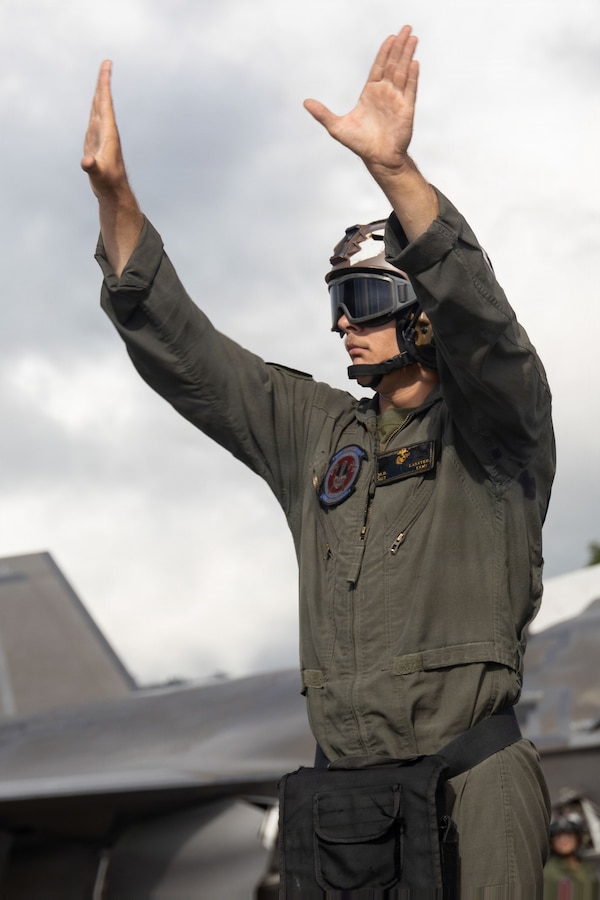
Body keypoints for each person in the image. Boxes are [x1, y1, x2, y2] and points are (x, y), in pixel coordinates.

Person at [82, 25, 556, 896]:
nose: (346, 321)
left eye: (368, 298)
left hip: (472, 789)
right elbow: (194, 359)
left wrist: (396, 174)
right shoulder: (318, 434)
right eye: (339, 300)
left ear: (420, 311)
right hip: (350, 811)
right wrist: (116, 201)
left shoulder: (495, 433)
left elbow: (488, 333)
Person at [544, 817, 599, 900]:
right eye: (558, 837)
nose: (563, 840)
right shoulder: (548, 871)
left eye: (569, 835)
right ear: (552, 843)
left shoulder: (588, 867)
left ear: (578, 839)